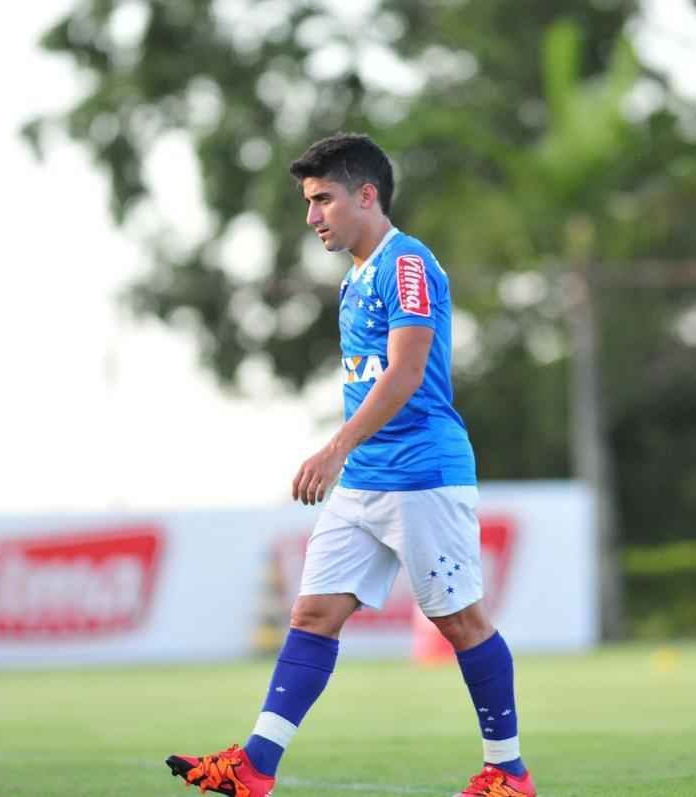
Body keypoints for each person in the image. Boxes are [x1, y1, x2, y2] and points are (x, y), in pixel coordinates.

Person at [166, 133, 536, 797]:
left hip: (422, 474)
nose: (312, 216)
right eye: (308, 202)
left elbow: (406, 374)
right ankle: (255, 765)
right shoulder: (354, 280)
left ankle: (508, 773)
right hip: (366, 480)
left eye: (323, 199)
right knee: (312, 613)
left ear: (366, 195)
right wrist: (348, 455)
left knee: (460, 623)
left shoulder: (409, 264)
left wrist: (333, 447)